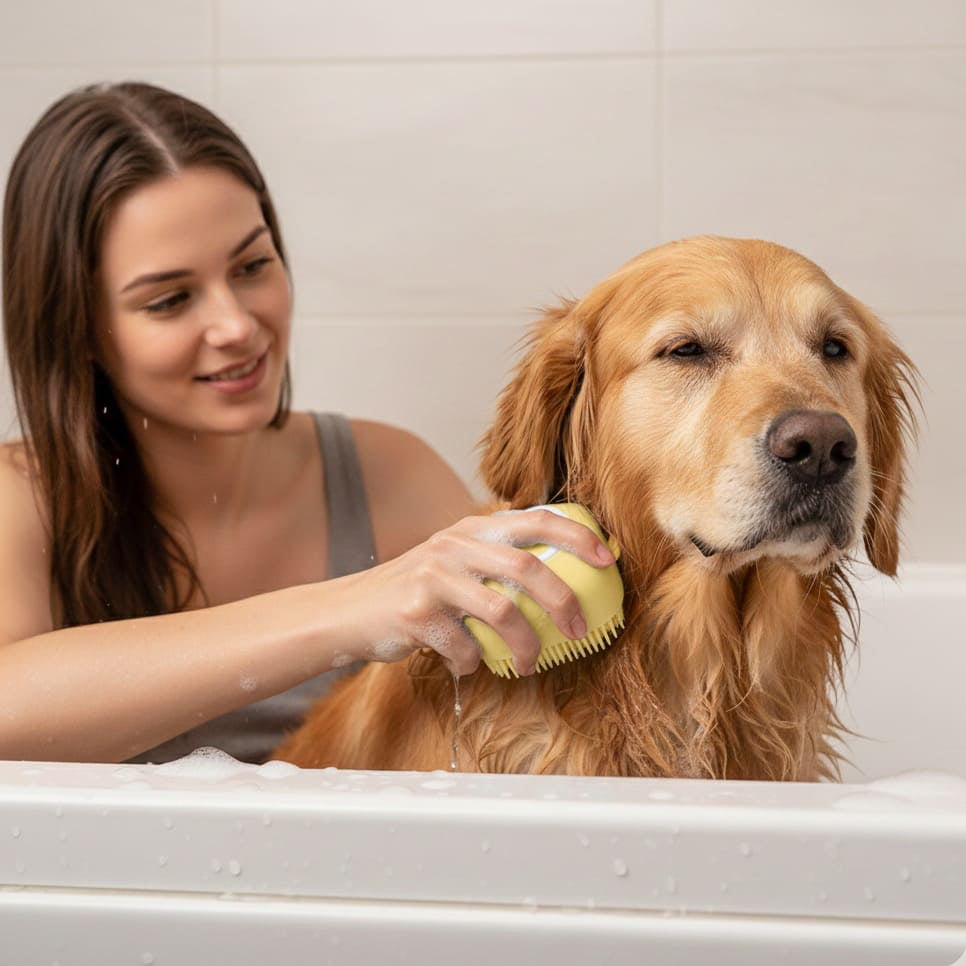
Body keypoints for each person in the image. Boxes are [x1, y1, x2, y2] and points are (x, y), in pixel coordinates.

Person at [0, 82, 614, 765]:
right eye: (170, 300)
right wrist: (353, 611)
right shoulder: (21, 498)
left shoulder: (391, 476)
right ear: (76, 328)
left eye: (253, 265)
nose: (236, 325)